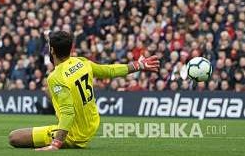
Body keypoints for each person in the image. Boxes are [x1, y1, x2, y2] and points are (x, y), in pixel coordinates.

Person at [8, 31, 160, 151]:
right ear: (70, 49)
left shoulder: (55, 77)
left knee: (14, 137)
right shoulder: (81, 62)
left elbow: (68, 113)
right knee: (51, 93)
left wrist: (56, 144)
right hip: (92, 122)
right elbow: (109, 70)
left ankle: (60, 138)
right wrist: (137, 65)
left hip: (75, 134)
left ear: (52, 50)